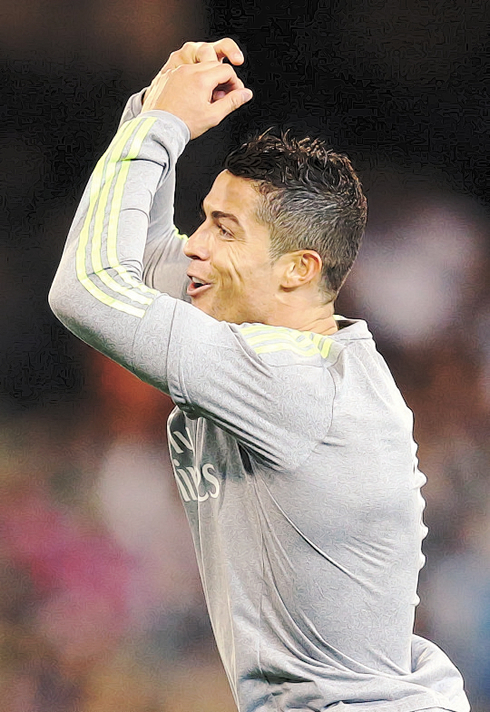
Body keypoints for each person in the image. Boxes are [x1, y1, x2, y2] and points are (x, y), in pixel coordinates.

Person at [49, 38, 470, 712]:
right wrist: (152, 107)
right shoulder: (269, 342)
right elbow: (117, 261)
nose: (196, 245)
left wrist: (162, 129)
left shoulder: (293, 382)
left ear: (298, 269)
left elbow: (85, 290)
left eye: (223, 228)